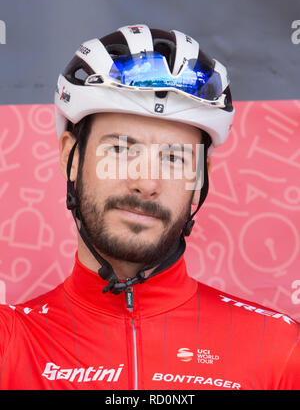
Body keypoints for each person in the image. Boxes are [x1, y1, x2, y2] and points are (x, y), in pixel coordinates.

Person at [0, 24, 299, 391]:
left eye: (174, 157)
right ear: (70, 158)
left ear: (199, 180)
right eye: (121, 150)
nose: (147, 182)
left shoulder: (280, 349)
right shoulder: (8, 344)